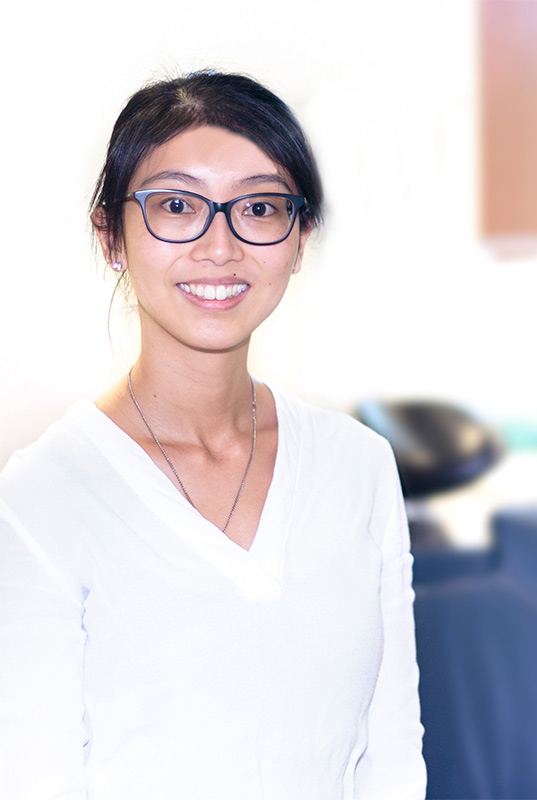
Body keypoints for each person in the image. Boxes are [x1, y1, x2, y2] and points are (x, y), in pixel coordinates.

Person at [0, 70, 426, 799]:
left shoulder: (359, 465)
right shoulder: (39, 500)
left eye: (258, 208)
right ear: (111, 236)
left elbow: (391, 763)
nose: (220, 246)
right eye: (176, 205)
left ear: (299, 239)